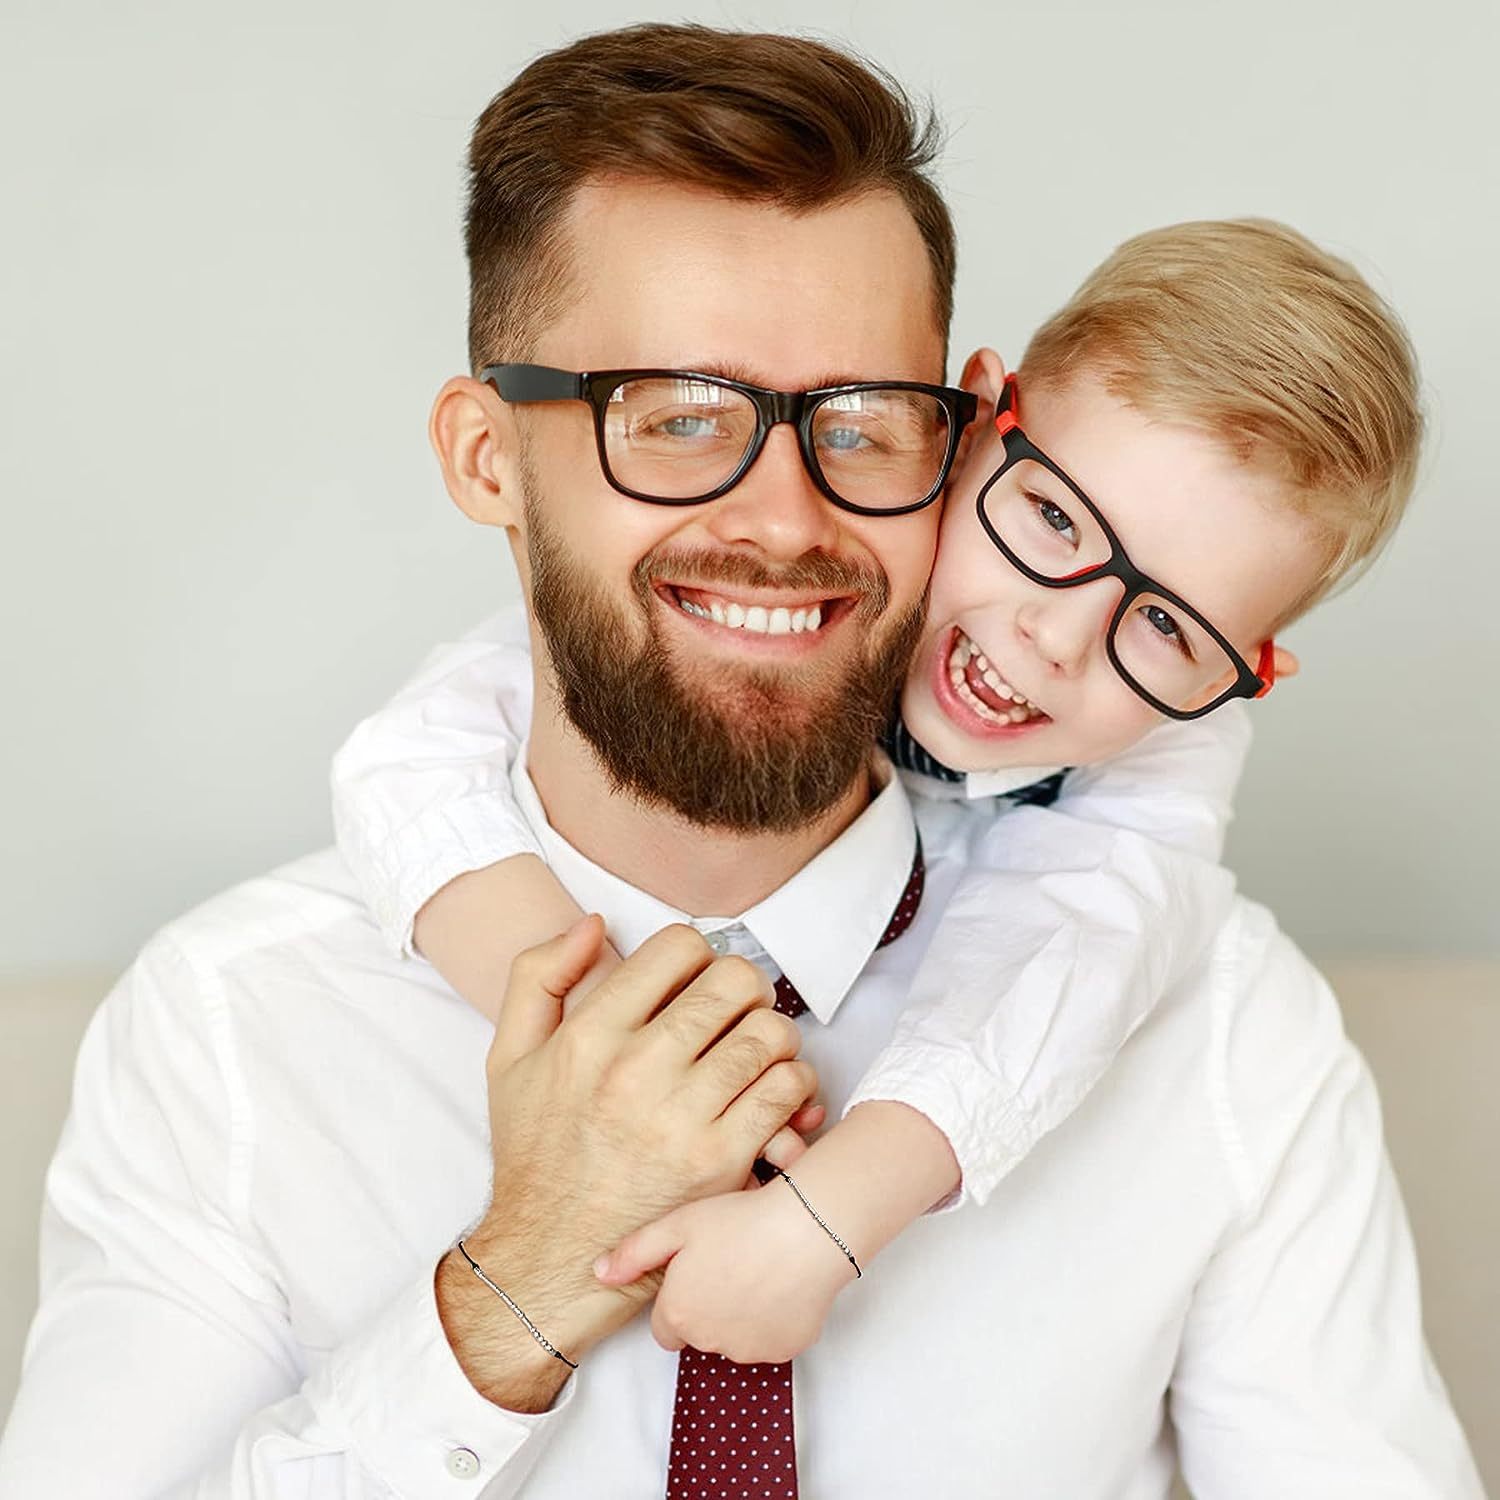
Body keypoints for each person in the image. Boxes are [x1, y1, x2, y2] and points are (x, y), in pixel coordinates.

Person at [0, 23, 1481, 1500]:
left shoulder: (1218, 1029)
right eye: (681, 418)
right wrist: (512, 1291)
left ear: (950, 439)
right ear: (487, 460)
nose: (782, 519)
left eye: (864, 422)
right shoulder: (233, 1032)